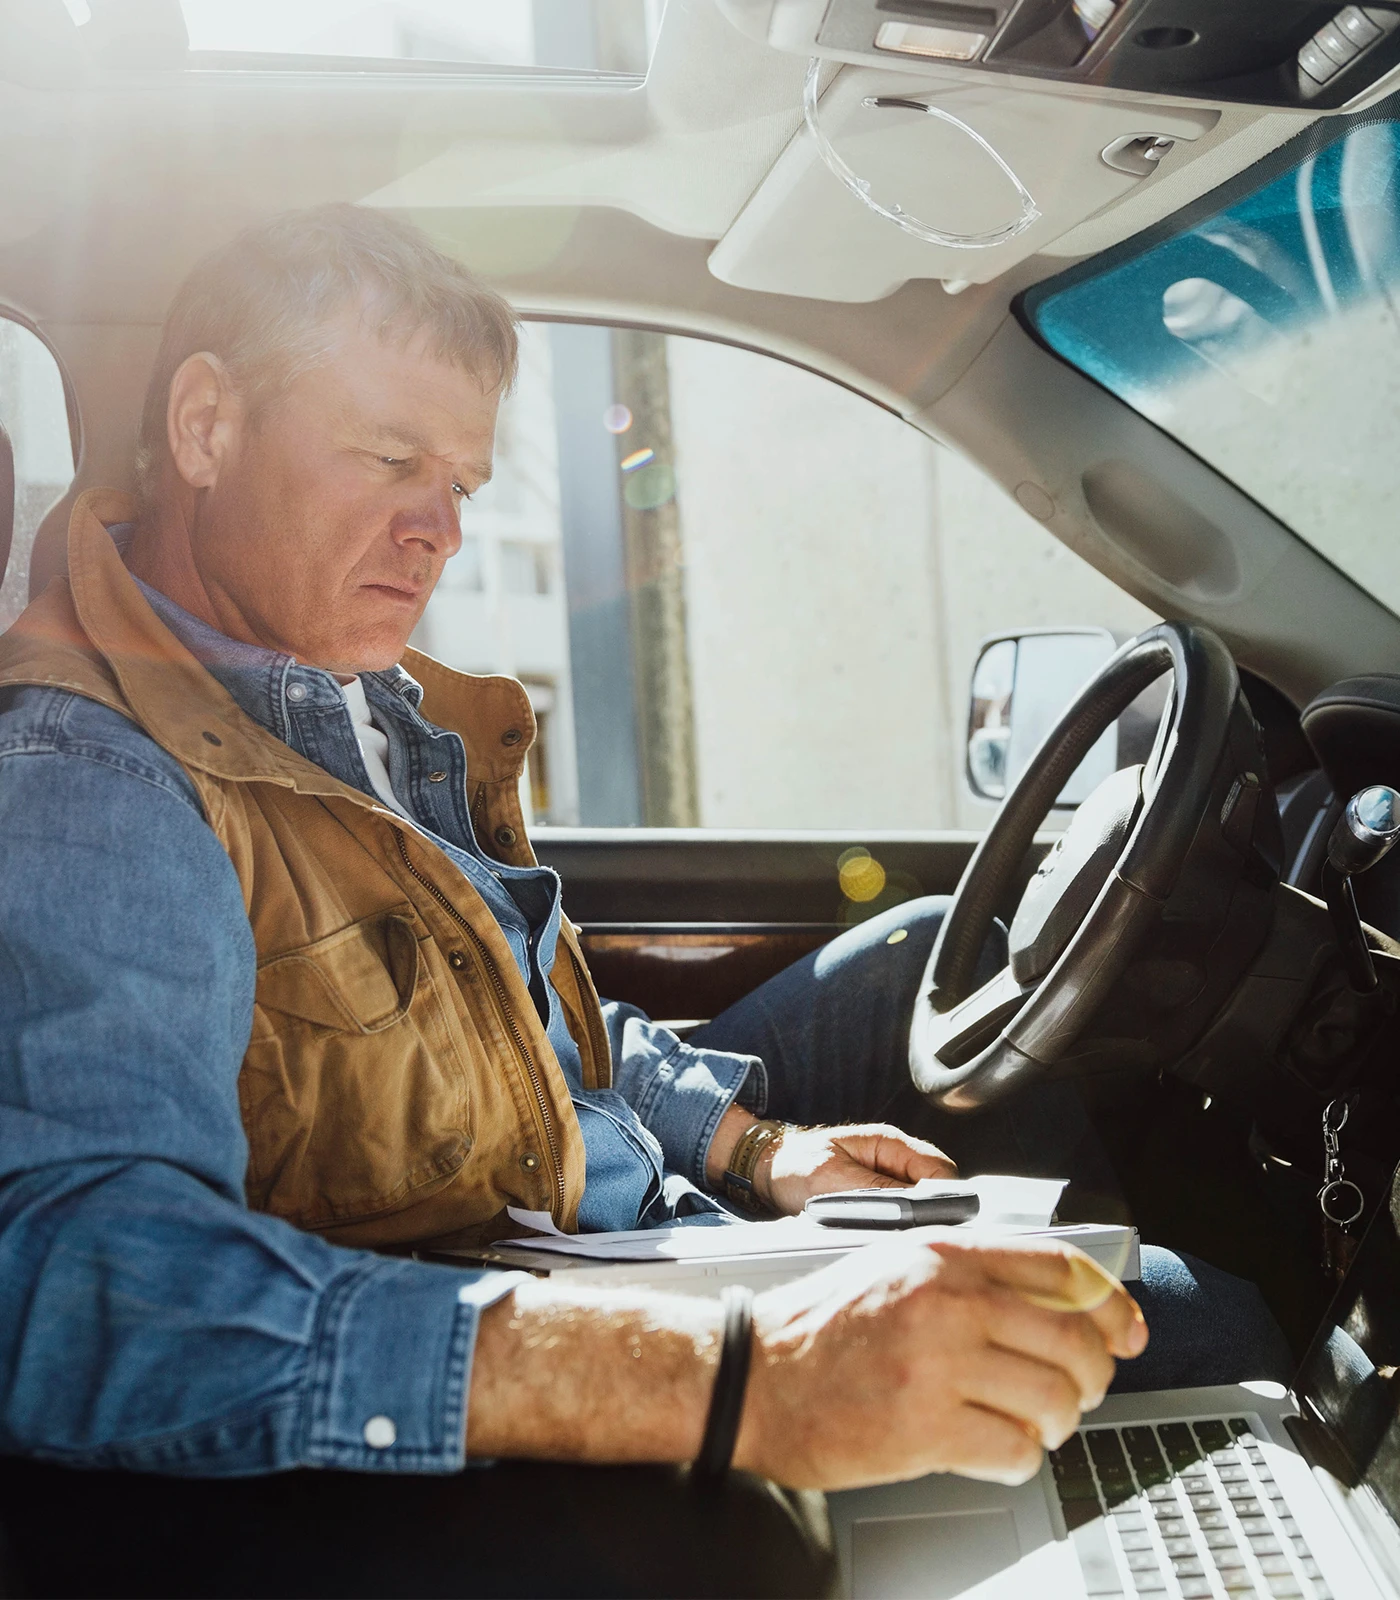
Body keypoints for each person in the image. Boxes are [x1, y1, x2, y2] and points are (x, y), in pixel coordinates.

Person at [0, 205, 1287, 1598]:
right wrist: (728, 1373)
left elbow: (519, 999)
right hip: (547, 1288)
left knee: (914, 959)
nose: (437, 533)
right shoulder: (92, 784)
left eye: (463, 484)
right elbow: (80, 1278)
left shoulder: (352, 690)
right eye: (389, 459)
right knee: (1201, 1330)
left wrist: (755, 1149)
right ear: (206, 426)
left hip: (610, 1206)